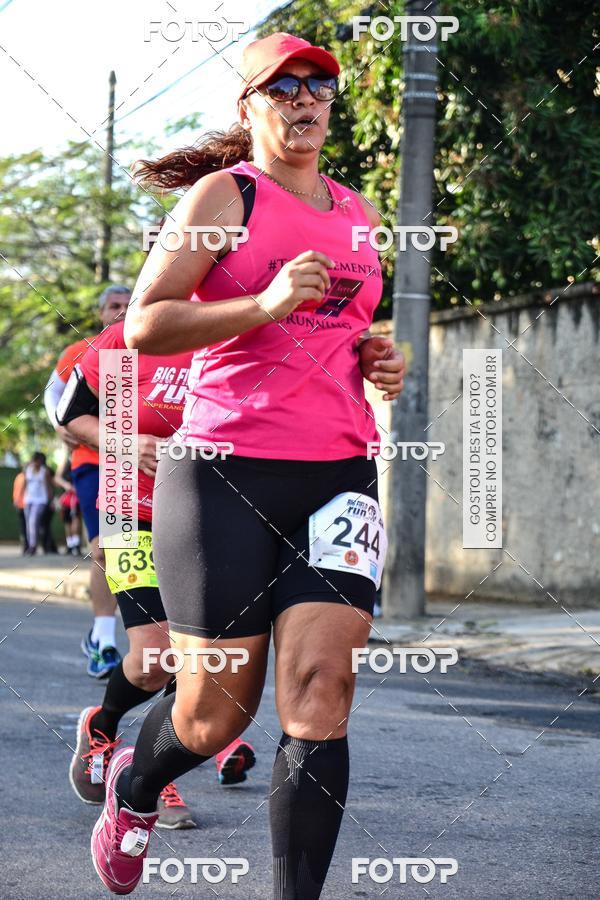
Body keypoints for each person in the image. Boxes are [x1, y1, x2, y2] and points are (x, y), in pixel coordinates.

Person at [90, 32, 405, 897]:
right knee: (211, 712)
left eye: (320, 87)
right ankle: (137, 783)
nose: (306, 99)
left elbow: (342, 329)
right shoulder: (224, 197)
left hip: (339, 472)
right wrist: (260, 302)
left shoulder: (358, 211)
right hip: (225, 470)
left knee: (320, 691)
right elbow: (146, 325)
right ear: (250, 106)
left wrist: (380, 359)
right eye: (284, 86)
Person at [61, 318, 258, 829]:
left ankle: (153, 765)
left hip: (205, 516)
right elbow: (70, 415)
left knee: (194, 655)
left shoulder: (237, 327)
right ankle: (101, 727)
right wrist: (128, 444)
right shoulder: (134, 335)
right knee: (153, 658)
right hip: (129, 513)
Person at [44, 285, 131, 678]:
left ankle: (148, 642)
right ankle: (105, 642)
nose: (121, 311)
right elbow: (54, 393)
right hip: (93, 461)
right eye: (114, 306)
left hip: (143, 461)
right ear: (100, 312)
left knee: (134, 548)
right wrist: (60, 426)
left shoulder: (157, 344)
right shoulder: (83, 351)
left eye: (128, 305)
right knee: (103, 547)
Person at [23, 452, 53, 555]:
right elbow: (25, 484)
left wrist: (50, 500)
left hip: (41, 500)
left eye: (38, 461)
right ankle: (30, 544)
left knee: (33, 521)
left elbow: (48, 487)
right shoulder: (28, 470)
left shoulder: (45, 472)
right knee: (28, 523)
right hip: (29, 499)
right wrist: (21, 497)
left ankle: (33, 545)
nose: (36, 463)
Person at [12, 467, 29, 554]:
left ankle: (26, 546)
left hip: (21, 504)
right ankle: (26, 546)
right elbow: (18, 490)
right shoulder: (25, 477)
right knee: (25, 527)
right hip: (25, 505)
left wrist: (15, 501)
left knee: (24, 527)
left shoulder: (18, 476)